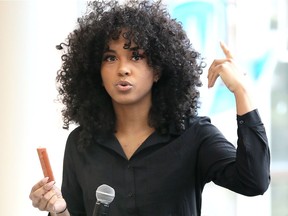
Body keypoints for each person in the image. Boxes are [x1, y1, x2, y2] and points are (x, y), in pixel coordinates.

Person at [29, 0, 270, 215]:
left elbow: (253, 181)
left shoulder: (194, 135)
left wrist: (242, 91)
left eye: (136, 56)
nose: (123, 68)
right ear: (96, 71)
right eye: (110, 58)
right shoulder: (81, 143)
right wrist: (58, 211)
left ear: (157, 69)